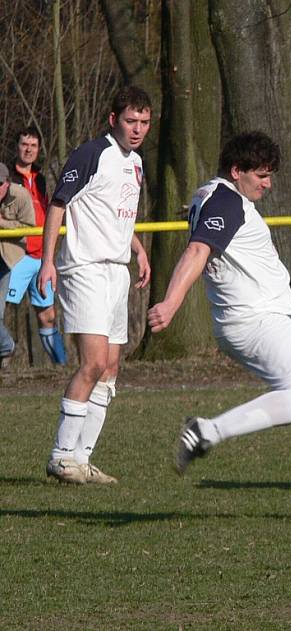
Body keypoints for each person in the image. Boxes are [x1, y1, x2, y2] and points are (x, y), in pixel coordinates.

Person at [147, 131, 291, 520]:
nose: (268, 184)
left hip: (258, 318)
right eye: (262, 175)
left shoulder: (213, 196)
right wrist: (170, 302)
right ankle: (207, 430)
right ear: (237, 171)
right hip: (255, 319)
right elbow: (197, 250)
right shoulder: (227, 201)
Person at [39, 85, 152, 485]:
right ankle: (60, 455)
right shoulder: (92, 154)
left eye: (144, 122)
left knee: (112, 368)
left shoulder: (136, 163)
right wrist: (48, 261)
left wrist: (138, 249)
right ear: (113, 120)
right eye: (130, 121)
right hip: (84, 268)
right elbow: (59, 203)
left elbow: (118, 215)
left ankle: (81, 460)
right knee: (94, 363)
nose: (137, 129)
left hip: (116, 272)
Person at [7, 126, 68, 365]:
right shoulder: (7, 178)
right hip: (16, 256)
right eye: (24, 144)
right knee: (2, 312)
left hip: (42, 259)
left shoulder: (41, 178)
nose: (28, 149)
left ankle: (61, 366)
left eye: (33, 145)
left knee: (48, 316)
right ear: (17, 147)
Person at [0, 161, 36, 367]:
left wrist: (2, 223)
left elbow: (29, 228)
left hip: (9, 258)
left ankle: (6, 347)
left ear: (7, 183)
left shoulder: (21, 195)